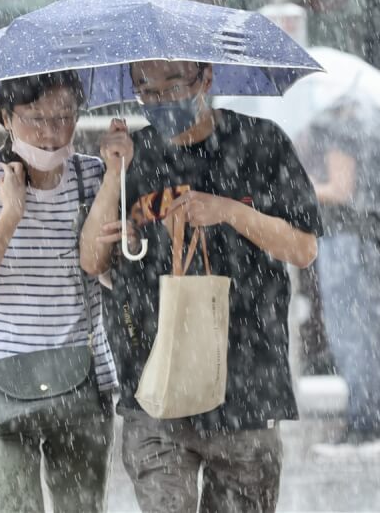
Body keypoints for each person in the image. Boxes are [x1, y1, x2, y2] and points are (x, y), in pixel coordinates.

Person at [79, 60, 323, 512]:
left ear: (205, 79)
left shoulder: (260, 143)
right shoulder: (131, 157)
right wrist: (114, 175)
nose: (160, 101)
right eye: (145, 91)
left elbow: (303, 248)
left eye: (173, 87)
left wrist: (228, 210)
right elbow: (93, 261)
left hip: (246, 383)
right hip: (154, 387)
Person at [0, 71, 117, 513]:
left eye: (65, 116)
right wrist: (10, 214)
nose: (51, 133)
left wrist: (116, 176)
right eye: (35, 118)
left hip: (83, 377)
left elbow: (110, 270)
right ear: (5, 118)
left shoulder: (93, 176)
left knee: (82, 508)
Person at [300, 101, 380, 455]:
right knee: (364, 331)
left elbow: (341, 190)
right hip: (365, 239)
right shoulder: (367, 126)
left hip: (347, 242)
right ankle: (371, 423)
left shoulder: (338, 129)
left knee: (351, 334)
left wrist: (303, 187)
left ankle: (366, 427)